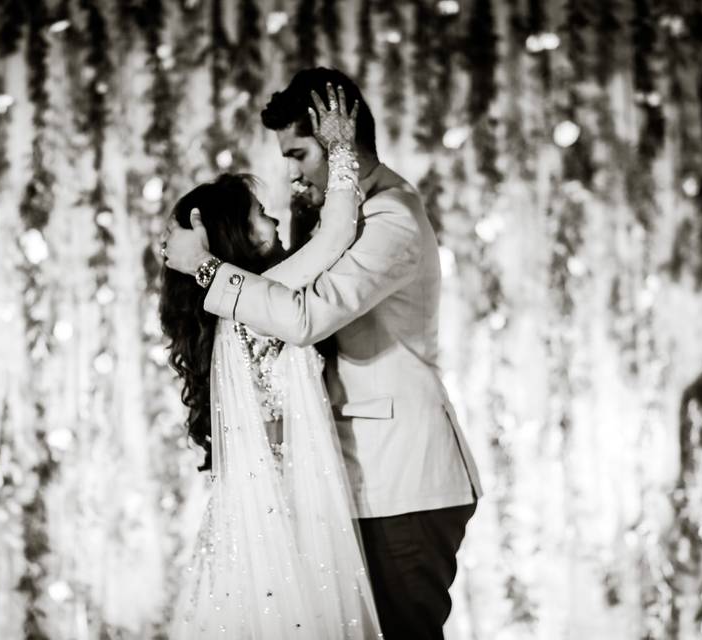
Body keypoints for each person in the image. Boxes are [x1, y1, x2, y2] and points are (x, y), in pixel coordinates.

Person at [163, 67, 483, 640]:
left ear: (342, 143)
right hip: (352, 487)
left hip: (401, 483)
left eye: (300, 153)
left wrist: (206, 268)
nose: (289, 174)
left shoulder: (392, 220)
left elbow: (308, 317)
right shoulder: (332, 225)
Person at [160, 86, 381, 638]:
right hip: (289, 512)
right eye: (261, 215)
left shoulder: (238, 305)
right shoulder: (260, 298)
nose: (275, 220)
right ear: (235, 233)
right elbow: (336, 236)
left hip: (257, 513)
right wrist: (343, 152)